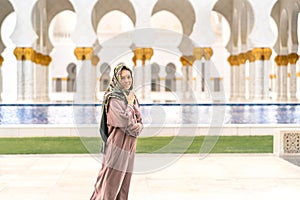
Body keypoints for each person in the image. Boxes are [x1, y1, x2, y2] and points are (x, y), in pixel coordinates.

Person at [90, 63, 143, 200]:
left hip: (131, 145)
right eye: (123, 78)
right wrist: (130, 108)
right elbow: (125, 122)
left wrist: (139, 126)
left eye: (128, 77)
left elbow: (139, 120)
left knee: (125, 182)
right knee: (110, 183)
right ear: (116, 80)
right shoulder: (113, 98)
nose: (126, 81)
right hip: (118, 145)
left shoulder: (131, 96)